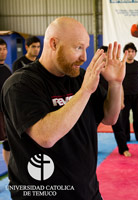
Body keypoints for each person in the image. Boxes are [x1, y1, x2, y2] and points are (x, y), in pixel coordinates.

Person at [0, 17, 127, 200]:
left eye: (85, 48)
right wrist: (84, 91)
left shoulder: (80, 77)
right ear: (53, 44)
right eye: (78, 48)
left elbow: (110, 118)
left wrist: (115, 83)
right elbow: (45, 136)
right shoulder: (21, 84)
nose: (84, 57)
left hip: (86, 190)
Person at [99, 45, 131, 157]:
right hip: (97, 102)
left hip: (112, 101)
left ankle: (123, 148)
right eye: (104, 54)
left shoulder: (114, 69)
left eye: (108, 54)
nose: (106, 56)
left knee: (118, 126)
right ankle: (92, 149)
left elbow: (119, 85)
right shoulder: (96, 69)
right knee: (91, 128)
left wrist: (121, 101)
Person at [0, 38, 12, 166]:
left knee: (8, 143)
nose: (3, 52)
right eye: (0, 49)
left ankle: (10, 174)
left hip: (7, 111)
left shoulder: (7, 68)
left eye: (4, 49)